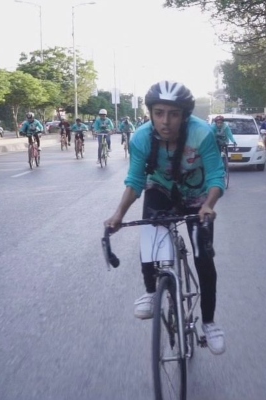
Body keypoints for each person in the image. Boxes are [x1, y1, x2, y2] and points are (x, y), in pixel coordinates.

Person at [104, 80, 227, 355]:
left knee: (203, 255)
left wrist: (209, 204)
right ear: (150, 113)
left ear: (185, 115)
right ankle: (151, 291)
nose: (166, 121)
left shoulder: (202, 133)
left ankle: (209, 322)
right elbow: (135, 180)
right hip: (160, 189)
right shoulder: (141, 138)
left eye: (173, 113)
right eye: (159, 113)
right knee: (150, 235)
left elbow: (217, 175)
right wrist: (118, 214)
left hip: (197, 196)